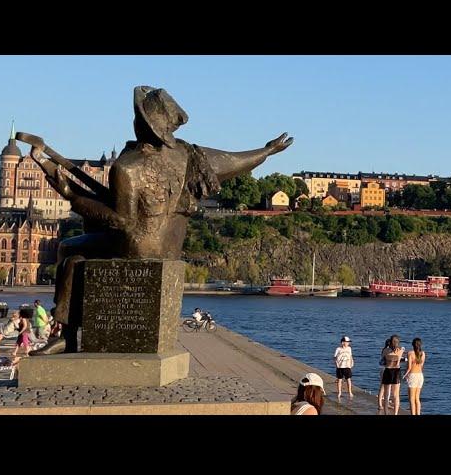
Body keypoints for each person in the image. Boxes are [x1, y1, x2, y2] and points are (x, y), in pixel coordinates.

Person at [23, 85, 293, 356]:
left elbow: (120, 221)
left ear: (139, 124)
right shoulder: (188, 155)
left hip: (135, 248)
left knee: (69, 252)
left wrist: (71, 194)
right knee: (76, 252)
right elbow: (235, 161)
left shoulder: (126, 167)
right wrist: (267, 151)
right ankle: (69, 336)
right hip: (168, 248)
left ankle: (67, 335)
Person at [380, 334, 405, 415]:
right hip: (396, 372)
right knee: (396, 395)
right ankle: (395, 413)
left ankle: (386, 412)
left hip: (388, 371)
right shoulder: (400, 350)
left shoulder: (385, 351)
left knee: (387, 394)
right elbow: (403, 352)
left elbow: (382, 360)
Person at [403, 337, 426, 415]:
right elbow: (421, 366)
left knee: (411, 399)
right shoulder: (423, 353)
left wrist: (404, 375)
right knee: (417, 398)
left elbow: (409, 368)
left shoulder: (410, 353)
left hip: (413, 376)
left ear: (413, 344)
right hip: (420, 376)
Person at [334, 335, 354, 400]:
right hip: (340, 366)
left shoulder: (349, 348)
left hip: (347, 366)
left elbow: (350, 356)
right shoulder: (338, 349)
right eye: (347, 342)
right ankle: (339, 392)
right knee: (340, 380)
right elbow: (334, 357)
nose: (348, 343)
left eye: (348, 342)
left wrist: (352, 362)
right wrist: (336, 363)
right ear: (343, 342)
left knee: (348, 379)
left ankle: (350, 392)